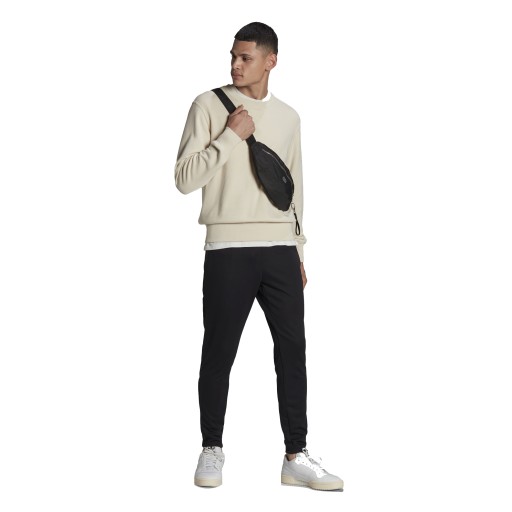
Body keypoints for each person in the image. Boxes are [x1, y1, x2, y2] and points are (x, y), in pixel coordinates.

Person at [174, 22, 343, 491]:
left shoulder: (289, 117)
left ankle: (296, 455)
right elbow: (184, 179)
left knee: (293, 352)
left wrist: (299, 249)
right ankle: (211, 447)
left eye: (246, 58)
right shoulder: (208, 105)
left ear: (271, 61)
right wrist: (230, 137)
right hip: (227, 248)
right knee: (219, 351)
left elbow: (294, 189)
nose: (235, 65)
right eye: (233, 56)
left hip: (281, 250)